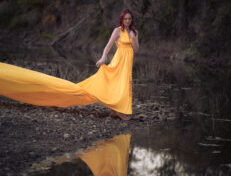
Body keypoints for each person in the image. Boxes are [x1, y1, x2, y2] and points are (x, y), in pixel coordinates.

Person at [0, 9, 139, 120]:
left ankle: (114, 111)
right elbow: (108, 46)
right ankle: (118, 111)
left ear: (131, 20)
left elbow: (136, 49)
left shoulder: (134, 32)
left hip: (128, 62)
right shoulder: (117, 30)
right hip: (118, 61)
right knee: (118, 84)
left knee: (126, 84)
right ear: (122, 19)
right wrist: (103, 58)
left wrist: (133, 37)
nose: (127, 21)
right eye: (125, 18)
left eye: (129, 18)